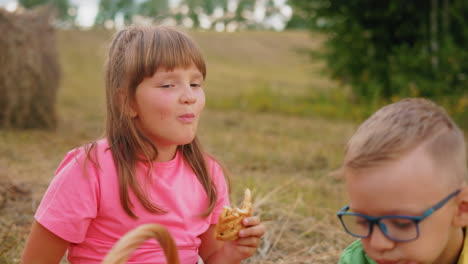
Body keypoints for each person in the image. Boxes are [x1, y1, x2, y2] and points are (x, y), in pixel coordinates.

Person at [21, 25, 265, 264]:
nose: (189, 96)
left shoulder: (207, 173)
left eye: (195, 84)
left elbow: (212, 257)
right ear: (126, 102)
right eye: (169, 85)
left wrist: (230, 255)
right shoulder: (88, 169)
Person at [336, 98, 468, 263]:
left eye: (400, 224)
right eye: (362, 221)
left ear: (461, 209)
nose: (378, 244)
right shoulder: (357, 260)